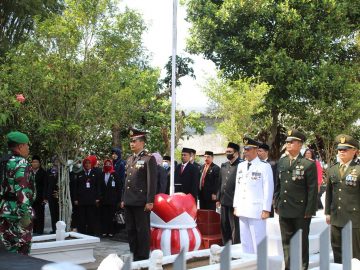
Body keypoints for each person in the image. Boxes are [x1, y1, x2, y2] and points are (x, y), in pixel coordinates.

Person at [274, 129, 318, 270]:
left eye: (291, 142)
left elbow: (312, 190)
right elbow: (278, 185)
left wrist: (309, 210)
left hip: (301, 211)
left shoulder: (308, 164)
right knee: (286, 243)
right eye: (287, 141)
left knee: (301, 243)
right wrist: (276, 203)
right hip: (285, 209)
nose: (288, 144)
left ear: (300, 144)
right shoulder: (281, 162)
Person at [121, 128, 157, 261]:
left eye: (134, 141)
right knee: (130, 230)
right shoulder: (130, 159)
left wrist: (150, 201)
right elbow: (126, 181)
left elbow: (151, 182)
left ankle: (142, 257)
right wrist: (123, 198)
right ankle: (134, 254)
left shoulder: (148, 159)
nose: (132, 144)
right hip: (129, 200)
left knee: (142, 231)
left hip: (141, 202)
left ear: (142, 142)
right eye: (130, 141)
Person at [233, 137, 274, 254]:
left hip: (257, 210)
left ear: (256, 150)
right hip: (242, 208)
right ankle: (248, 264)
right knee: (245, 242)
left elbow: (268, 188)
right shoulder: (241, 166)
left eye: (248, 149)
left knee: (258, 241)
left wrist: (266, 209)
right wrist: (236, 205)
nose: (245, 151)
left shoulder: (264, 167)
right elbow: (238, 186)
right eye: (244, 149)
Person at [325, 134, 360, 263]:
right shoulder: (333, 169)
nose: (341, 152)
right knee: (337, 251)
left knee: (355, 254)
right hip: (336, 217)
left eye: (345, 149)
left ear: (354, 151)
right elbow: (329, 192)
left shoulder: (358, 169)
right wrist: (328, 212)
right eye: (340, 149)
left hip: (354, 218)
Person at [0, 131, 35, 254]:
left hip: (3, 210)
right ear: (20, 146)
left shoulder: (3, 161)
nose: (28, 148)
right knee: (21, 250)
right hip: (18, 213)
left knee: (6, 250)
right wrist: (25, 215)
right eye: (27, 145)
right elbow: (23, 191)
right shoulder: (21, 163)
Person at [216, 142, 243, 245]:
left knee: (234, 228)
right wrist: (218, 198)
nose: (227, 153)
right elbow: (220, 182)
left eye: (230, 152)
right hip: (223, 201)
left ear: (236, 153)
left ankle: (235, 248)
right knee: (224, 226)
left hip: (234, 202)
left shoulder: (241, 165)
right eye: (226, 151)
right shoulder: (224, 165)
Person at [74, 156, 101, 236]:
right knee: (82, 218)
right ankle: (82, 233)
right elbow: (76, 188)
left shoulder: (95, 174)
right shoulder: (79, 174)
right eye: (86, 163)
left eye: (89, 163)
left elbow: (98, 187)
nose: (87, 165)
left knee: (91, 217)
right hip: (82, 200)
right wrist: (75, 199)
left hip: (92, 200)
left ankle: (91, 233)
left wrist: (98, 198)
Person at [99, 159, 122, 237]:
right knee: (104, 216)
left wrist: (119, 199)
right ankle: (104, 231)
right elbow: (99, 186)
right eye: (106, 164)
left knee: (112, 216)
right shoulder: (102, 174)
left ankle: (111, 231)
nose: (108, 165)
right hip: (104, 200)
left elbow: (119, 187)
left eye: (109, 164)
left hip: (113, 199)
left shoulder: (115, 174)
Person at [257, 143, 277, 217]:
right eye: (257, 151)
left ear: (266, 152)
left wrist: (273, 197)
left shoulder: (272, 164)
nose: (258, 153)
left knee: (268, 220)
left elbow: (275, 181)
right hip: (258, 198)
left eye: (260, 151)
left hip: (268, 197)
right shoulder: (256, 164)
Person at [44, 156, 60, 233]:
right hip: (50, 194)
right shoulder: (48, 171)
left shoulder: (63, 170)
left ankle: (61, 229)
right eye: (55, 160)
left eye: (57, 160)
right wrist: (45, 196)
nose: (56, 161)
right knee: (53, 212)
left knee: (59, 212)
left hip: (60, 195)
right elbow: (46, 184)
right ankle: (54, 229)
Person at [31, 155, 47, 235]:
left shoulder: (43, 173)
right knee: (32, 215)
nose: (34, 163)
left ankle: (40, 231)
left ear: (39, 163)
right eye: (33, 162)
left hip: (40, 197)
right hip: (30, 197)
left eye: (36, 162)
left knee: (40, 214)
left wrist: (44, 197)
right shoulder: (29, 172)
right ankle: (33, 231)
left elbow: (45, 186)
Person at [69, 158, 83, 231]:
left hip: (80, 196)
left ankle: (78, 227)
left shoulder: (82, 172)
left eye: (79, 162)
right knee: (73, 212)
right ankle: (72, 226)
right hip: (71, 195)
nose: (78, 163)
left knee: (79, 212)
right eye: (76, 162)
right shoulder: (71, 173)